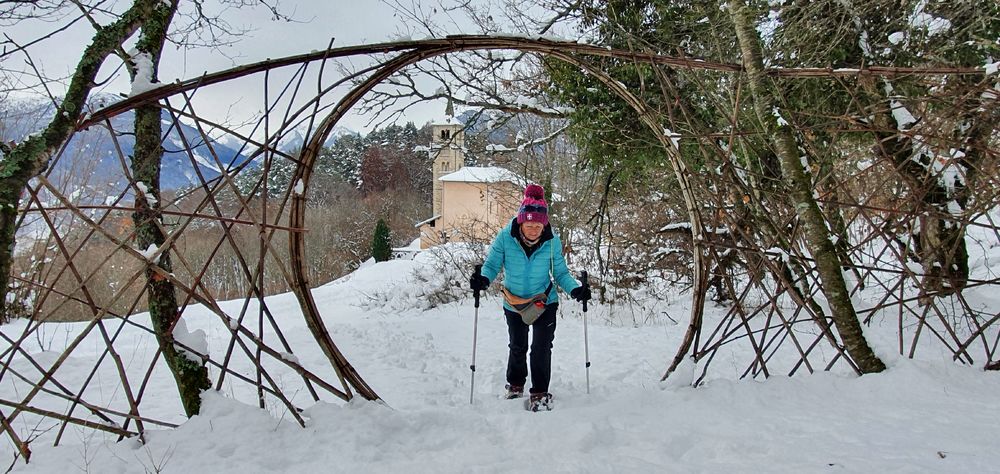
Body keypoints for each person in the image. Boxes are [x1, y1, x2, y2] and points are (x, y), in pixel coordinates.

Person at [469, 183, 591, 411]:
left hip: (544, 301)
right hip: (514, 302)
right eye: (529, 224)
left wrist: (575, 290)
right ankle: (515, 385)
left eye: (538, 225)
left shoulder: (551, 241)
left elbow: (561, 273)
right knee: (517, 345)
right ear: (521, 221)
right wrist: (483, 280)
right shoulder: (506, 237)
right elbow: (492, 264)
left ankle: (540, 393)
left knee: (541, 348)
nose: (534, 229)